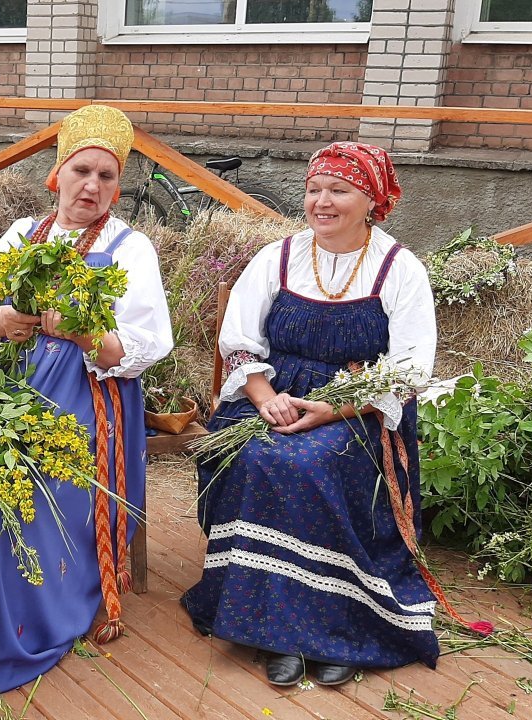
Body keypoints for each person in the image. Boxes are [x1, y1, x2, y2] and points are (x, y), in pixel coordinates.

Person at [0, 104, 174, 695]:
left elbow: (138, 348)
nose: (92, 186)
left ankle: (30, 623)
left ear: (118, 186)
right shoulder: (23, 236)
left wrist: (80, 330)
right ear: (57, 174)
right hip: (5, 390)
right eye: (82, 171)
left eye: (106, 177)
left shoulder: (131, 250)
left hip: (87, 401)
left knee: (22, 494)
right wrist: (4, 318)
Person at [179, 142, 438, 687]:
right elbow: (241, 341)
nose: (322, 202)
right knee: (255, 456)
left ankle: (333, 623)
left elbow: (410, 367)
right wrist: (260, 394)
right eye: (314, 190)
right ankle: (269, 627)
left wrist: (335, 408)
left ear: (371, 200)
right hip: (272, 395)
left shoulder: (400, 268)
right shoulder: (278, 256)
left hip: (356, 406)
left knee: (311, 465)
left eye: (338, 191)